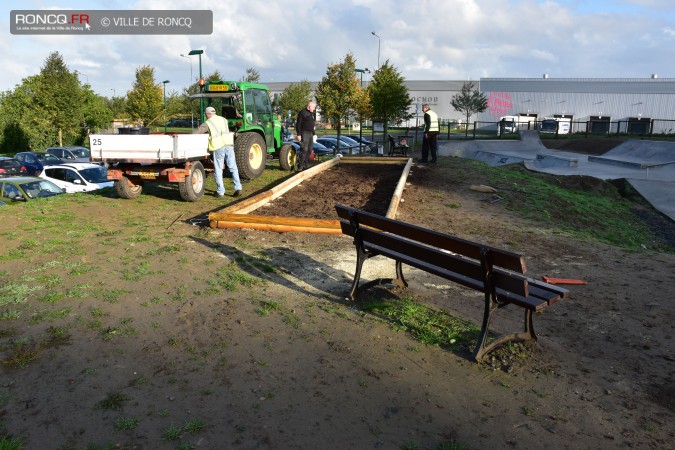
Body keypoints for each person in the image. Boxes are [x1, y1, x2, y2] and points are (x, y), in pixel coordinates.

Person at [195, 106, 242, 197]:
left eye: (206, 114)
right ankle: (238, 188)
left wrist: (187, 136)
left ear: (208, 114)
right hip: (228, 144)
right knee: (233, 167)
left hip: (218, 147)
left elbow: (198, 132)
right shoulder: (223, 119)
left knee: (218, 169)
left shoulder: (208, 123)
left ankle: (220, 192)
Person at [295, 101, 317, 171]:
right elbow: (298, 124)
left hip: (310, 133)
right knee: (304, 150)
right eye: (313, 107)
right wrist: (298, 134)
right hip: (304, 133)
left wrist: (314, 134)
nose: (314, 108)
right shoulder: (302, 113)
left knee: (309, 150)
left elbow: (312, 125)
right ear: (309, 106)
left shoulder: (312, 113)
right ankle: (300, 166)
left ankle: (305, 164)